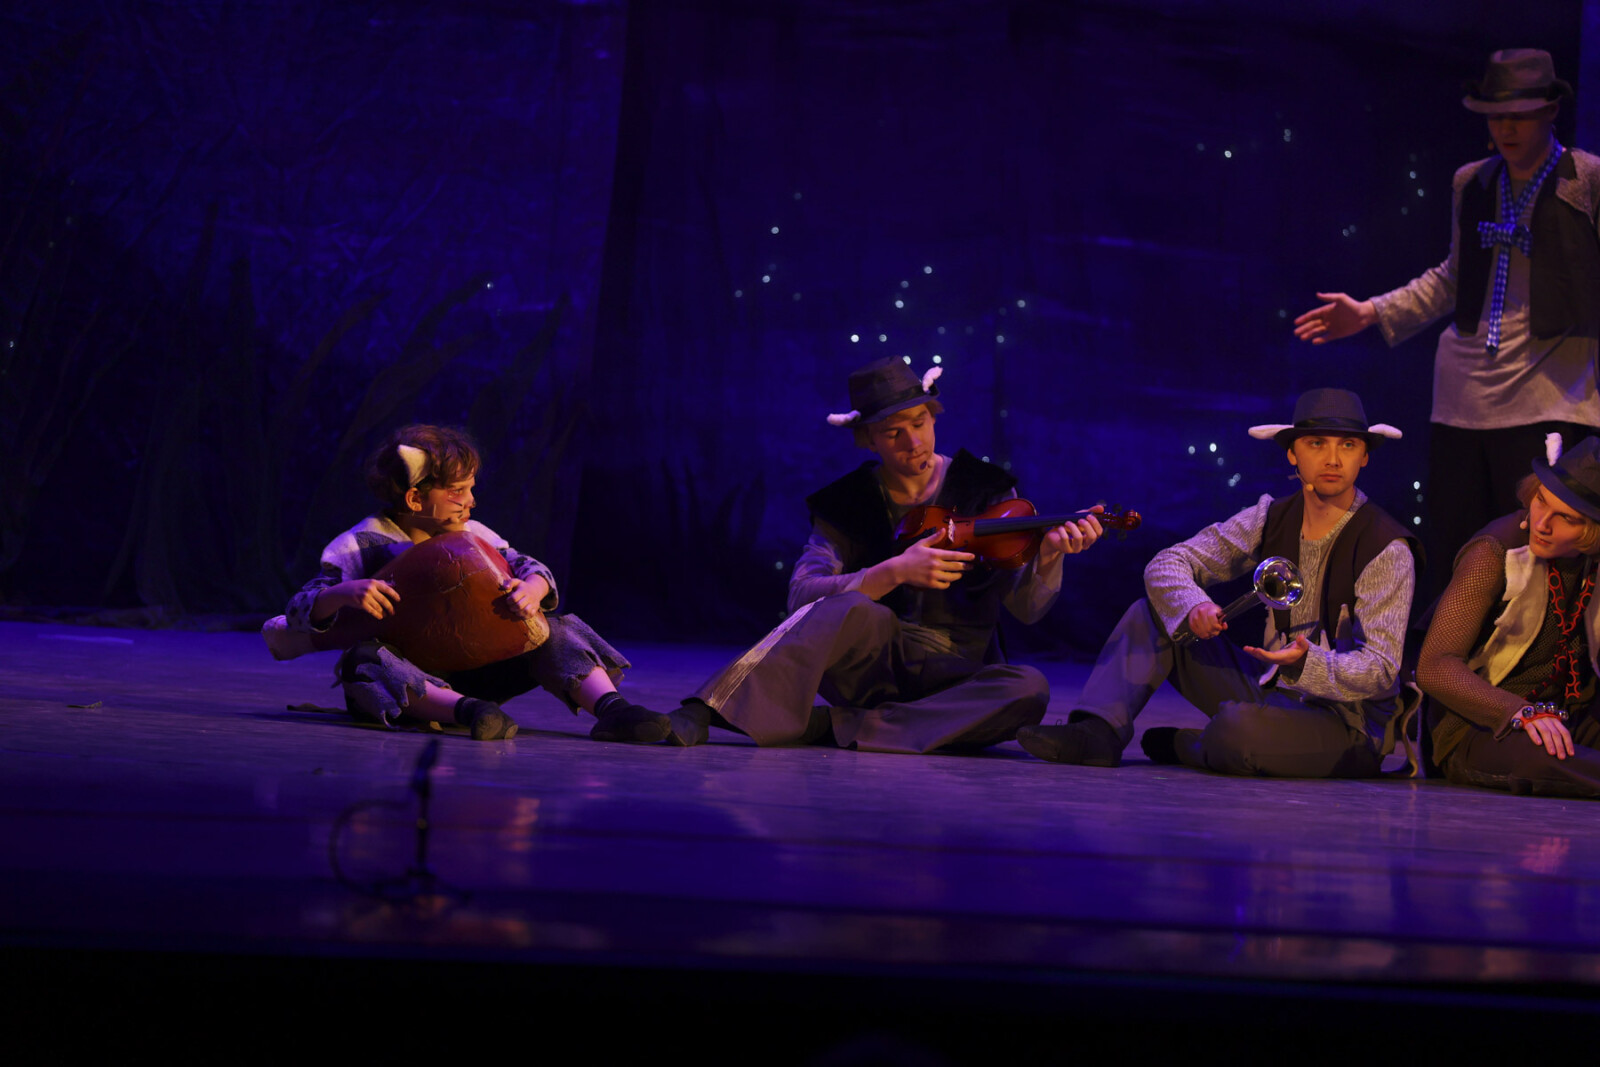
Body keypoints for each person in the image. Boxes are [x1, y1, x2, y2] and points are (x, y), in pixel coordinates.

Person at [666, 358, 1104, 752]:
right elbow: (801, 596)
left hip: (959, 675)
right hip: (871, 670)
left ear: (933, 415)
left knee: (1027, 687)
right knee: (846, 606)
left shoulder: (986, 489)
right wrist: (894, 571)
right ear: (868, 439)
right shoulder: (847, 501)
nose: (913, 441)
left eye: (920, 422)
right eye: (893, 433)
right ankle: (708, 709)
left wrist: (1050, 556)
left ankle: (836, 726)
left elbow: (1026, 609)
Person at [1292, 49, 1600, 599]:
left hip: (1551, 389)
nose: (1506, 128)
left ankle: (1530, 654)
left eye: (1520, 115)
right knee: (1459, 543)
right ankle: (1447, 651)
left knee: (1534, 545)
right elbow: (1454, 277)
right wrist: (1372, 311)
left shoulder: (1587, 178)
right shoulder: (1473, 182)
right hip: (1465, 393)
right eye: (1495, 116)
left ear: (1551, 111)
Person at [1017, 389, 1419, 777]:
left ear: (1364, 456)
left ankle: (1193, 745)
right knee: (1152, 614)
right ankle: (1097, 731)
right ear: (1292, 453)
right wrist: (1193, 606)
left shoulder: (1384, 546)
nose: (1333, 459)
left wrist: (1308, 663)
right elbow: (1168, 562)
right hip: (1274, 690)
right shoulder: (1269, 517)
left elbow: (1381, 669)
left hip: (1348, 724)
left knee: (1236, 730)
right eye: (1317, 443)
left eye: (1347, 445)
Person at [263, 424, 669, 743]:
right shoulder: (362, 544)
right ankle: (468, 713)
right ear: (414, 499)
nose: (471, 500)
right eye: (457, 491)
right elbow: (300, 607)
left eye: (471, 488)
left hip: (478, 671)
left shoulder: (474, 534)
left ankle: (612, 710)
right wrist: (342, 594)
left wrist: (533, 588)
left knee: (555, 629)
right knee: (362, 660)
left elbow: (532, 567)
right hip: (413, 684)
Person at [1415, 435, 1600, 797]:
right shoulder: (1493, 553)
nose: (1542, 523)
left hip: (1567, 715)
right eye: (1541, 501)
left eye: (1565, 518)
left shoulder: (1593, 562)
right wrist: (1518, 712)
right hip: (1481, 726)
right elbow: (1434, 666)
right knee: (1544, 759)